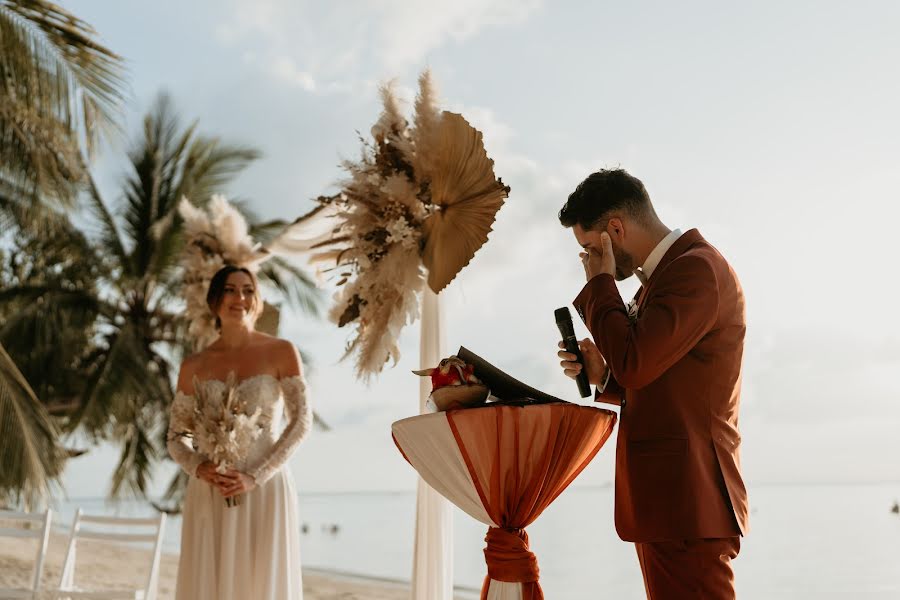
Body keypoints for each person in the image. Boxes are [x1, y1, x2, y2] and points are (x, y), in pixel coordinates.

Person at [556, 169, 748, 599]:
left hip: (689, 503)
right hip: (672, 505)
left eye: (589, 248)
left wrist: (600, 284)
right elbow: (649, 379)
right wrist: (601, 376)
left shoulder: (694, 271)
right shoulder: (661, 281)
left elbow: (635, 364)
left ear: (615, 231)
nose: (587, 261)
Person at [167, 265, 311, 600]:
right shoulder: (194, 365)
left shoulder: (281, 351)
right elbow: (176, 438)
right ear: (214, 300)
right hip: (211, 490)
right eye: (230, 290)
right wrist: (198, 467)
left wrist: (256, 476)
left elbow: (301, 421)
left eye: (248, 290)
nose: (240, 298)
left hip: (265, 487)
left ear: (258, 300)